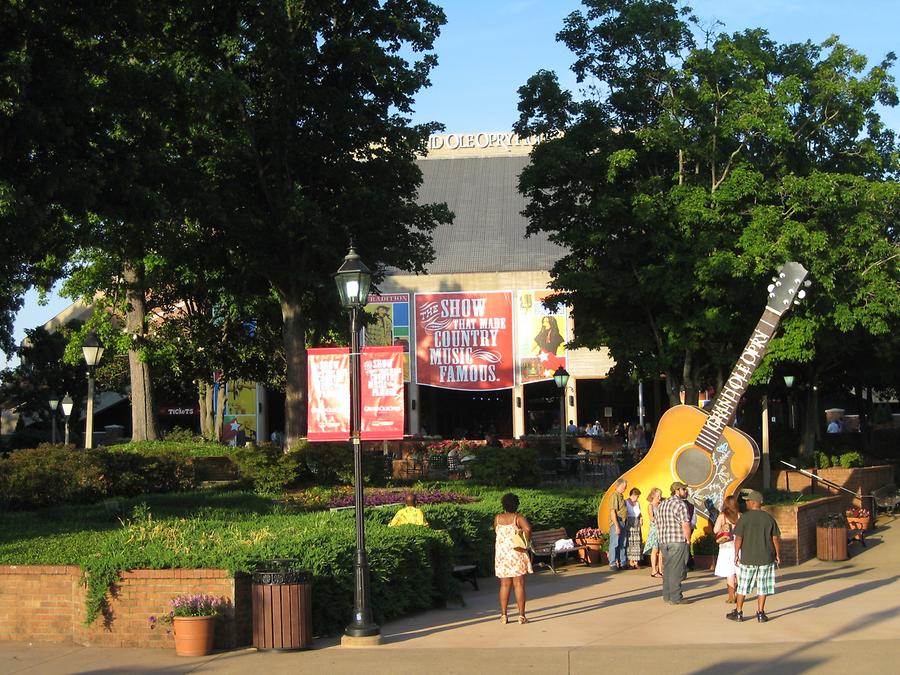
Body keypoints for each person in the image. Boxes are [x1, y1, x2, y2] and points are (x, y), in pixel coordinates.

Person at [727, 490, 781, 623]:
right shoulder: (769, 518)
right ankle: (761, 613)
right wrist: (777, 554)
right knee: (763, 587)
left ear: (753, 503)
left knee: (743, 586)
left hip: (748, 558)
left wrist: (736, 554)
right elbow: (775, 539)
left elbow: (738, 538)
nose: (746, 503)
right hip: (766, 557)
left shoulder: (744, 518)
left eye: (747, 501)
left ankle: (738, 612)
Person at [494, 493, 533, 624]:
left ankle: (504, 615)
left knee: (504, 585)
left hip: (502, 555)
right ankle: (521, 616)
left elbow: (497, 531)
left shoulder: (498, 518)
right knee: (519, 584)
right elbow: (527, 528)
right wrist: (525, 541)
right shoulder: (518, 517)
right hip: (516, 553)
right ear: (516, 504)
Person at [655, 482, 692, 604]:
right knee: (676, 570)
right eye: (684, 489)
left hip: (664, 541)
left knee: (668, 569)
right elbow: (685, 524)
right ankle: (676, 597)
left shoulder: (662, 504)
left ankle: (667, 596)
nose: (686, 491)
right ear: (677, 490)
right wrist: (688, 539)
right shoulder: (680, 504)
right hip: (677, 540)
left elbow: (657, 523)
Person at [714, 495, 741, 603]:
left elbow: (716, 530)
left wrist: (723, 527)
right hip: (738, 546)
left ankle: (731, 596)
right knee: (738, 571)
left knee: (730, 572)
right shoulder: (740, 515)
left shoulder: (722, 516)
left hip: (726, 546)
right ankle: (740, 594)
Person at [604, 478, 629, 571]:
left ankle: (622, 562)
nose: (625, 488)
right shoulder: (614, 496)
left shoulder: (621, 496)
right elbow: (613, 512)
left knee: (623, 543)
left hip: (623, 522)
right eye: (624, 487)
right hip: (617, 522)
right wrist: (616, 525)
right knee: (614, 543)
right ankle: (613, 563)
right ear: (619, 486)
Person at [643, 487, 664, 578]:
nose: (659, 497)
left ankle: (660, 570)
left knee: (661, 551)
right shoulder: (650, 506)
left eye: (660, 495)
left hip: (661, 530)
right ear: (653, 496)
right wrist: (659, 520)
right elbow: (651, 517)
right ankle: (653, 571)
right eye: (658, 495)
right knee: (654, 550)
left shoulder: (661, 505)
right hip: (654, 530)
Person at [625, 487, 643, 568]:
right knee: (630, 542)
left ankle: (636, 561)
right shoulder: (626, 502)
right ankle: (630, 560)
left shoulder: (638, 503)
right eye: (637, 496)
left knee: (637, 542)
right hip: (630, 524)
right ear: (633, 495)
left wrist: (641, 518)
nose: (637, 498)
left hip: (636, 524)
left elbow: (639, 513)